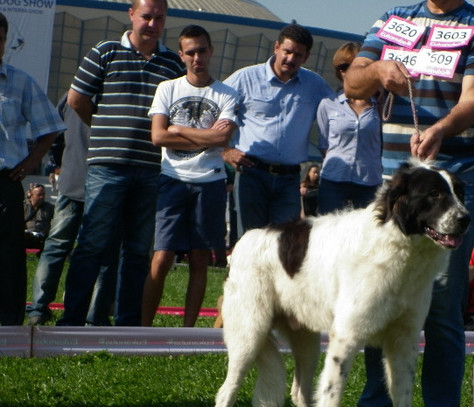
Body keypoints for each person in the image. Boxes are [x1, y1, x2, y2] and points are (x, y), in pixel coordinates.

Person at [343, 0, 474, 407]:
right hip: (395, 194)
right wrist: (378, 72)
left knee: (439, 310)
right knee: (380, 304)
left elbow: (473, 102)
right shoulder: (393, 20)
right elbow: (353, 81)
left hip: (453, 188)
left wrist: (440, 129)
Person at [58, 0, 184, 327]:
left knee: (138, 251)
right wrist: (104, 128)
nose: (152, 24)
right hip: (107, 166)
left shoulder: (173, 63)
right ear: (131, 15)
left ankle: (127, 324)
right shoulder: (105, 51)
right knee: (91, 245)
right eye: (146, 16)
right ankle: (72, 321)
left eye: (159, 18)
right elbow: (76, 100)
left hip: (151, 169)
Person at [141, 25, 237, 327]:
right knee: (161, 257)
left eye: (202, 50)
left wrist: (179, 129)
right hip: (172, 179)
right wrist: (206, 136)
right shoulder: (167, 88)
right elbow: (157, 137)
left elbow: (222, 140)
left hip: (209, 182)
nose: (198, 57)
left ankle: (188, 330)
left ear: (211, 50)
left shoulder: (227, 93)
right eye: (191, 52)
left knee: (199, 260)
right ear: (181, 55)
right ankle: (143, 328)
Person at [222, 23, 334, 233]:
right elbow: (213, 109)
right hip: (251, 174)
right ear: (276, 47)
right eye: (287, 51)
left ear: (306, 57)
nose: (291, 59)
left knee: (285, 245)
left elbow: (339, 112)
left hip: (289, 180)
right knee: (250, 241)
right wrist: (224, 150)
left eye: (298, 55)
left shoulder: (314, 84)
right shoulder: (245, 78)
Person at [26, 95, 118, 326]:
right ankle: (94, 313)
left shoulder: (70, 97)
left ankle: (38, 307)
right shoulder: (116, 95)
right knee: (102, 253)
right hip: (106, 184)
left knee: (55, 246)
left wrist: (60, 165)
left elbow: (55, 137)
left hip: (71, 180)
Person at [0, 13, 66, 326]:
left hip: (4, 183)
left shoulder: (20, 82)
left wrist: (30, 162)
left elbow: (50, 128)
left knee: (8, 258)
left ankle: (9, 324)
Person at [316, 41, 383, 214]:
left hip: (369, 181)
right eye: (342, 67)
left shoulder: (381, 105)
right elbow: (325, 144)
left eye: (352, 66)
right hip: (334, 179)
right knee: (329, 230)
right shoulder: (327, 104)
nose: (345, 71)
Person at [24, 184, 55, 250]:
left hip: (42, 239)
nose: (42, 197)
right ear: (31, 195)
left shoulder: (49, 208)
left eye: (43, 194)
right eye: (39, 195)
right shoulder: (23, 206)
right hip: (26, 237)